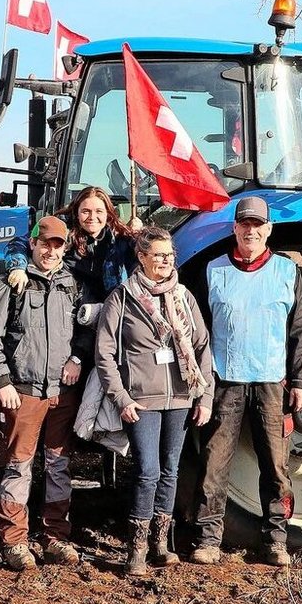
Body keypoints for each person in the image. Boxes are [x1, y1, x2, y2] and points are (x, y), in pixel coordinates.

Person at [190, 196, 302, 567]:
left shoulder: (286, 272)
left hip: (271, 382)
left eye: (258, 225)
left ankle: (276, 538)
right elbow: (198, 331)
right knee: (214, 462)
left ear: (268, 229)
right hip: (225, 380)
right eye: (245, 224)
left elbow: (301, 331)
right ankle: (208, 538)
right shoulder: (213, 270)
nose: (251, 231)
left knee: (275, 465)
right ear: (235, 228)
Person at [94, 226, 214, 576]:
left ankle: (161, 543)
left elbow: (203, 346)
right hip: (141, 401)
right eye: (158, 255)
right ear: (141, 257)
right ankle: (136, 549)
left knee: (170, 469)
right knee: (147, 470)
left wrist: (204, 396)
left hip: (179, 397)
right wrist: (121, 397)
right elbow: (105, 353)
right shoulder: (122, 298)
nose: (165, 261)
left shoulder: (184, 296)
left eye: (169, 255)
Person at [0, 216, 93, 570]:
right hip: (23, 391)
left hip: (62, 393)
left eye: (58, 245)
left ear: (65, 248)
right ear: (33, 244)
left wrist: (77, 357)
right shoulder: (9, 283)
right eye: (45, 244)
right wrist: (3, 382)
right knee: (18, 467)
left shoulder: (72, 285)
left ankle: (55, 537)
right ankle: (13, 540)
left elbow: (87, 331)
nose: (51, 251)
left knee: (59, 466)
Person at [5, 185, 138, 302]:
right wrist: (18, 268)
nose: (92, 217)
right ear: (77, 212)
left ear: (108, 214)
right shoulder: (62, 231)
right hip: (68, 305)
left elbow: (143, 262)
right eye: (86, 211)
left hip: (107, 307)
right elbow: (19, 243)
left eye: (99, 211)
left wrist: (139, 237)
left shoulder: (120, 238)